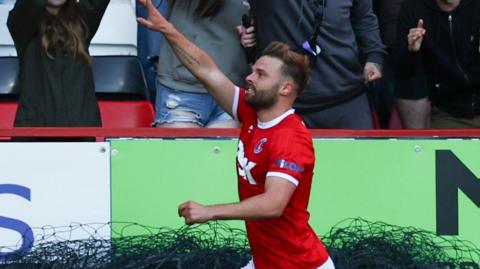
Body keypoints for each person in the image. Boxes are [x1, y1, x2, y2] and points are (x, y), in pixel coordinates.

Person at [137, 0, 334, 268]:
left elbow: (273, 204)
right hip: (265, 261)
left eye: (260, 74)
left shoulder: (291, 137)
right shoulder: (251, 111)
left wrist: (210, 212)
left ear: (285, 88)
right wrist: (167, 29)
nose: (249, 77)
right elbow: (207, 70)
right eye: (253, 71)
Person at [241, 0, 385, 129]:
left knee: (361, 157)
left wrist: (374, 57)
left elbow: (364, 18)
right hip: (285, 104)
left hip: (347, 97)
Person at [7, 0, 109, 127]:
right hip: (34, 136)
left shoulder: (83, 19)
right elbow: (27, 6)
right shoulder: (23, 22)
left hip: (80, 136)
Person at [153, 0, 250, 128]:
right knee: (181, 148)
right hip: (183, 89)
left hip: (231, 91)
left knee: (226, 147)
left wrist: (252, 35)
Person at [392, 0, 480, 128]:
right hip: (448, 112)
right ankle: (417, 141)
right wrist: (411, 51)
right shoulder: (413, 8)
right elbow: (401, 70)